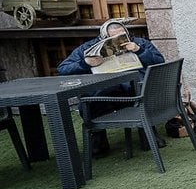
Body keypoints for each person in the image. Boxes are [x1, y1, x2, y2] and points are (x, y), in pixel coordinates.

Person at [58, 19, 165, 155]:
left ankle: (149, 133)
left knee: (141, 95)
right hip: (104, 91)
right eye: (112, 38)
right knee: (92, 101)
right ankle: (98, 140)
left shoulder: (139, 43)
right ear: (103, 37)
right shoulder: (88, 48)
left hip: (133, 88)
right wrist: (85, 62)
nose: (118, 41)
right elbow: (63, 69)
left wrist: (139, 50)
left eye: (121, 36)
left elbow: (159, 61)